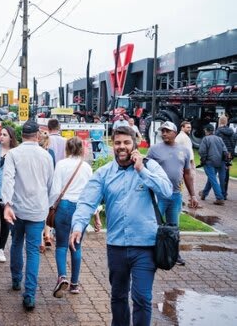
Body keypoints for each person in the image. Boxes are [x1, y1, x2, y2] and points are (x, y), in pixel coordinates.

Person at [70, 126, 172, 326]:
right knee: (118, 296)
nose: (122, 147)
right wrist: (77, 226)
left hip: (145, 246)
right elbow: (86, 202)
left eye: (126, 142)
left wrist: (142, 170)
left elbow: (167, 191)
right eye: (118, 143)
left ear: (134, 144)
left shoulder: (150, 166)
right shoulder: (104, 173)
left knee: (142, 298)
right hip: (116, 246)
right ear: (112, 145)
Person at [2, 120, 54, 311]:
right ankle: (29, 294)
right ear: (37, 135)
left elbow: (7, 180)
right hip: (37, 209)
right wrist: (47, 205)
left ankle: (16, 279)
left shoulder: (13, 154)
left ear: (21, 134)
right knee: (33, 251)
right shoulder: (45, 156)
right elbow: (51, 185)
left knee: (16, 243)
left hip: (17, 208)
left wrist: (7, 203)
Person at [147, 121, 198, 266]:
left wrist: (193, 194)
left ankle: (173, 254)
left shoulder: (184, 151)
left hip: (175, 195)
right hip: (159, 194)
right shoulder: (154, 150)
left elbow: (187, 173)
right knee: (153, 224)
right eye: (162, 131)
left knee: (173, 227)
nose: (164, 133)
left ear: (175, 133)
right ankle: (151, 253)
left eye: (167, 131)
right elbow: (147, 171)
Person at [49, 137, 94, 298]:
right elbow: (92, 192)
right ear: (81, 149)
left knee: (61, 245)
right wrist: (95, 213)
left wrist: (51, 205)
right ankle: (74, 283)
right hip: (81, 207)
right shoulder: (87, 168)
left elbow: (55, 189)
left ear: (67, 149)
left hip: (65, 205)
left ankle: (62, 276)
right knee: (76, 245)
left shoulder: (61, 164)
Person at [0, 126, 18, 263]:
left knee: (5, 222)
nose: (1, 137)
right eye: (0, 134)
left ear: (11, 137)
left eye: (4, 135)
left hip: (7, 191)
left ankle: (1, 249)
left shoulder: (15, 152)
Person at [199, 124, 228, 205]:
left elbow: (202, 151)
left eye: (205, 130)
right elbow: (225, 151)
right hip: (220, 162)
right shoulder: (219, 139)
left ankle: (219, 198)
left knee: (213, 179)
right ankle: (204, 194)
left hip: (209, 162)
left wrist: (203, 160)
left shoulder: (206, 139)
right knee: (211, 179)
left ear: (206, 130)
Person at [38, 131, 55, 252]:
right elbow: (52, 169)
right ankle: (48, 235)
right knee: (47, 211)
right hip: (47, 184)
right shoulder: (50, 153)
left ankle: (40, 241)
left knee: (39, 214)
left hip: (37, 185)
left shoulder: (36, 153)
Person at [215, 115, 236, 199]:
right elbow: (234, 144)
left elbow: (216, 145)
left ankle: (218, 193)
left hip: (219, 155)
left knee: (214, 174)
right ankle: (224, 193)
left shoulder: (218, 132)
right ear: (227, 122)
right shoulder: (232, 132)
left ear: (219, 122)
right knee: (226, 175)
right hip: (229, 156)